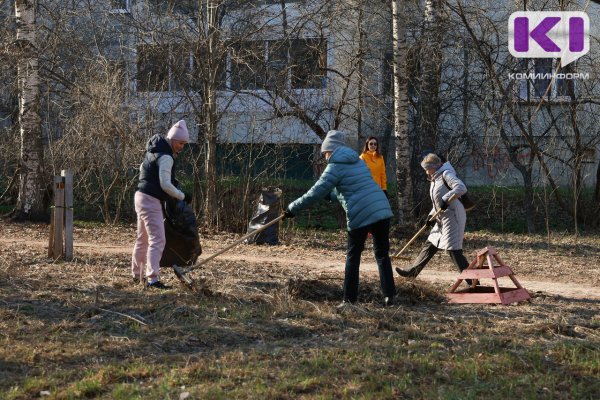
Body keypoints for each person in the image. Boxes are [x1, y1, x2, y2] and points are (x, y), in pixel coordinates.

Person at [284, 130, 396, 306]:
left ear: (330, 150)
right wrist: (332, 196)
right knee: (382, 254)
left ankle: (349, 300)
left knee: (353, 257)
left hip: (361, 213)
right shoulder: (358, 161)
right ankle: (390, 296)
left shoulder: (334, 166)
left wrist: (292, 208)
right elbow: (354, 188)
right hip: (381, 208)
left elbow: (314, 193)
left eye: (325, 153)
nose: (325, 156)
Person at [131, 120, 191, 289]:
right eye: (180, 143)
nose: (182, 147)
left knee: (142, 239)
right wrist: (182, 196)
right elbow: (165, 184)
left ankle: (137, 275)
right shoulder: (165, 157)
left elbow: (146, 174)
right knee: (157, 240)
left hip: (140, 196)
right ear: (172, 140)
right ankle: (153, 279)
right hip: (150, 200)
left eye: (184, 144)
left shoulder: (153, 152)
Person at [395, 153, 471, 283]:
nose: (425, 171)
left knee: (454, 251)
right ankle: (412, 272)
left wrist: (447, 199)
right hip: (442, 217)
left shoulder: (446, 174)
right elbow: (438, 203)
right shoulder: (434, 178)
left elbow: (461, 188)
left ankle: (473, 282)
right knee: (430, 244)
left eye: (426, 168)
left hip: (453, 216)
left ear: (434, 166)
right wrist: (430, 217)